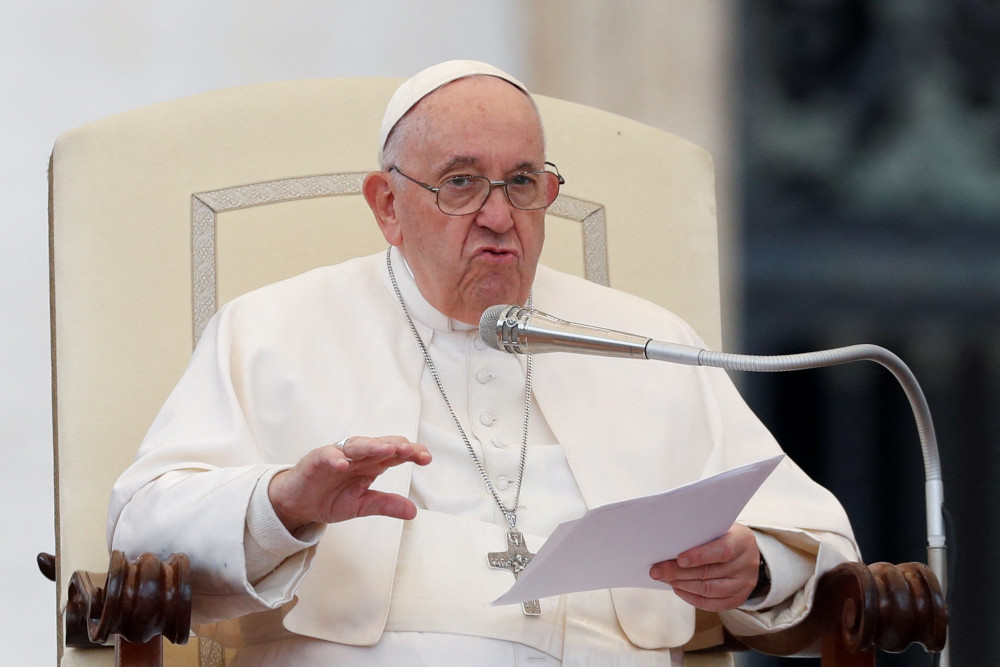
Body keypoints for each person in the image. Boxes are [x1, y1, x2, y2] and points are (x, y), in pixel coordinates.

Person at [108, 60, 859, 665]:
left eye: (523, 182)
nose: (499, 216)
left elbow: (814, 539)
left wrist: (754, 564)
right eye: (461, 182)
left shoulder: (644, 338)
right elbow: (141, 527)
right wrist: (284, 503)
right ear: (387, 206)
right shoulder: (271, 329)